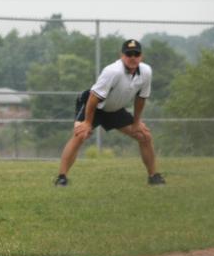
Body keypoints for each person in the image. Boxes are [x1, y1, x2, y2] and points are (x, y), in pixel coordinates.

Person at [54, 39, 165, 187]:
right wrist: (87, 123)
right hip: (93, 106)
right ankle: (62, 178)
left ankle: (154, 177)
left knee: (144, 136)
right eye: (129, 54)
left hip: (114, 109)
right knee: (80, 135)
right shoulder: (113, 71)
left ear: (141, 56)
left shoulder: (146, 72)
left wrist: (137, 122)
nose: (132, 57)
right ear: (121, 56)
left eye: (136, 54)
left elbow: (141, 98)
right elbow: (93, 98)